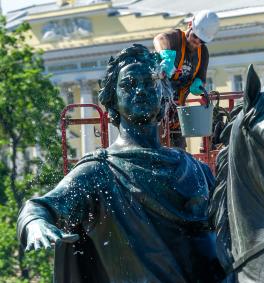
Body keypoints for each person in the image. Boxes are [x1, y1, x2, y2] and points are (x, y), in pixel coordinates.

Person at [17, 44, 223, 283]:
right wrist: (35, 224)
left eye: (149, 81)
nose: (141, 90)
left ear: (164, 94)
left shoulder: (197, 170)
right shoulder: (100, 171)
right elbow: (38, 207)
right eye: (128, 85)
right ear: (113, 101)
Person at [153, 10, 219, 148]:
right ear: (190, 25)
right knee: (157, 149)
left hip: (177, 112)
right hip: (156, 108)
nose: (197, 42)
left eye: (201, 41)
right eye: (195, 36)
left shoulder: (203, 54)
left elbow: (201, 77)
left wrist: (198, 84)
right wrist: (166, 57)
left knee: (180, 152)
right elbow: (159, 38)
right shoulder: (176, 38)